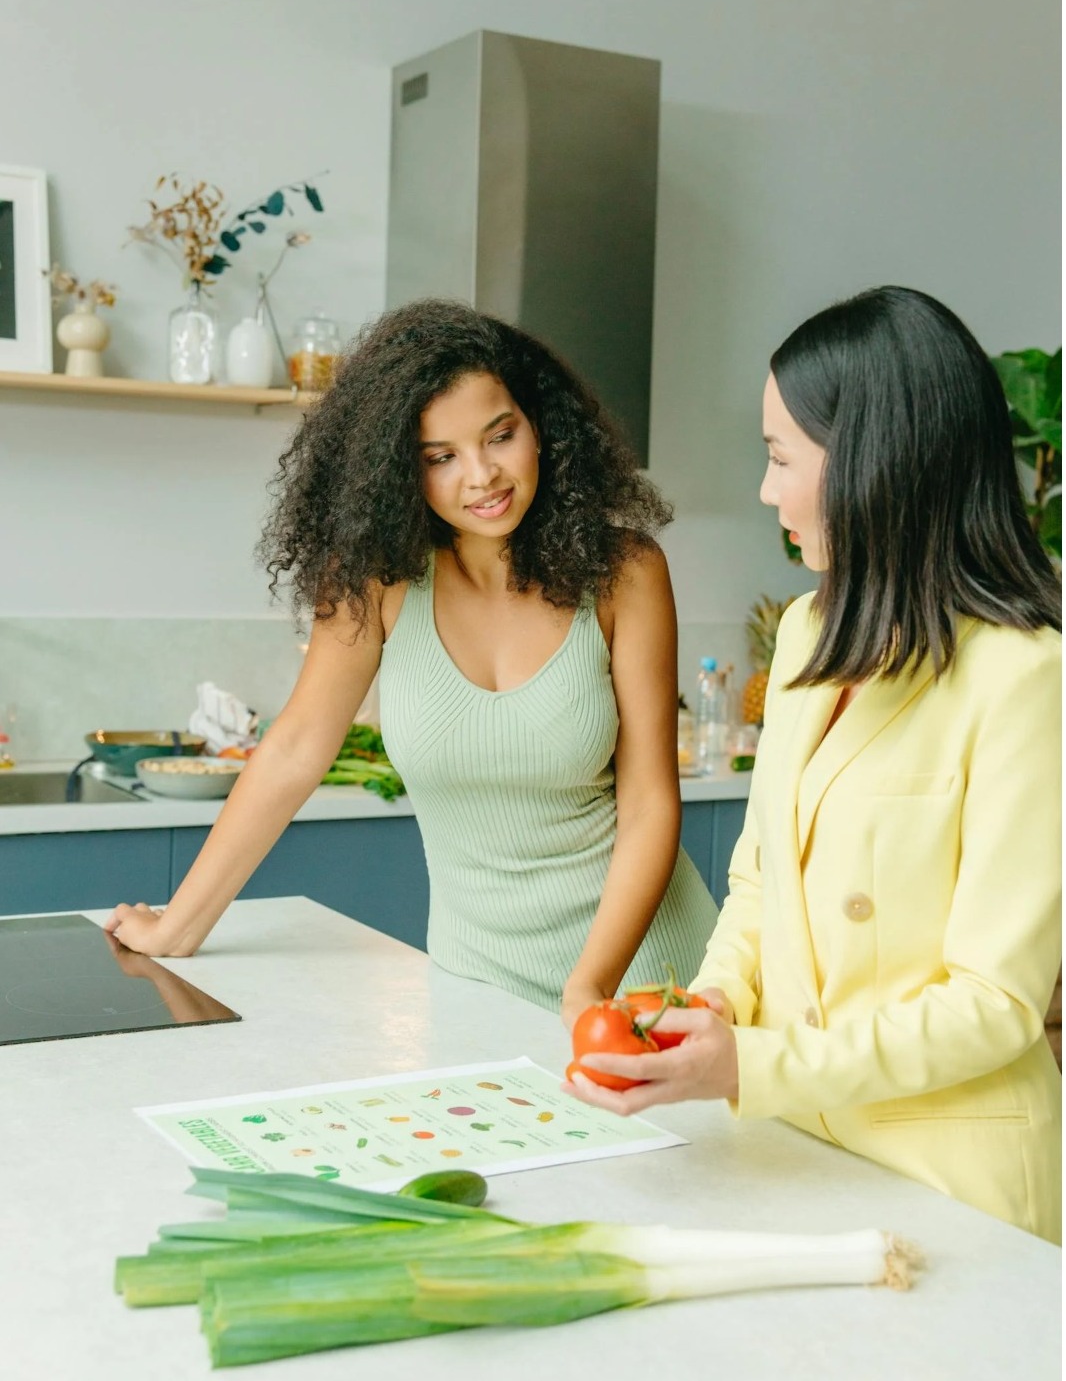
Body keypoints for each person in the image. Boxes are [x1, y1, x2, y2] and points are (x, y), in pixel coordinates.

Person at [565, 286, 1062, 1244]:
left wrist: (752, 1065)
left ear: (876, 465)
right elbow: (760, 881)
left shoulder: (1027, 674)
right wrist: (712, 1003)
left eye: (780, 457)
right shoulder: (803, 636)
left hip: (955, 1185)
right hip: (793, 1153)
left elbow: (995, 1006)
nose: (766, 490)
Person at [105, 300, 718, 1022]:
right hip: (473, 989)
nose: (483, 475)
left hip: (645, 977)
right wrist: (178, 926)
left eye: (501, 435)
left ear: (541, 424)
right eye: (441, 457)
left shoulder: (625, 572)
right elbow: (296, 748)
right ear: (399, 469)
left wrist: (589, 989)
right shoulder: (379, 579)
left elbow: (650, 803)